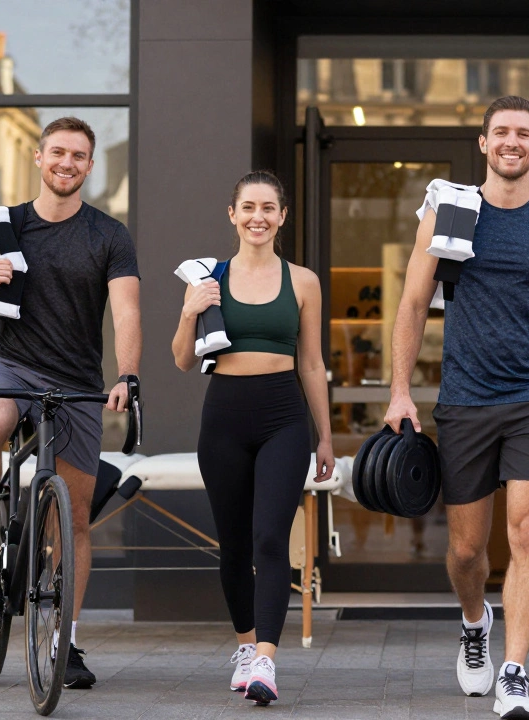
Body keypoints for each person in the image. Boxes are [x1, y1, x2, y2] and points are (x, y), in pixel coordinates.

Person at [384, 95, 529, 720]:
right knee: (465, 552)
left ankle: (515, 672)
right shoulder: (451, 215)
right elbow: (411, 305)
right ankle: (473, 619)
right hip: (464, 399)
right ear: (483, 144)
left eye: (524, 134)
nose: (512, 142)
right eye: (501, 132)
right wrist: (400, 390)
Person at [0, 117, 141, 689]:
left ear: (88, 165)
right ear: (39, 157)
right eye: (58, 152)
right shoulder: (1, 227)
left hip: (77, 379)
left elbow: (126, 311)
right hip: (9, 362)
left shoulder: (109, 234)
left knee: (75, 518)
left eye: (79, 156)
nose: (67, 163)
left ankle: (67, 643)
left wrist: (127, 375)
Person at [171, 170, 333, 706]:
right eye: (248, 208)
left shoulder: (303, 281)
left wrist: (326, 436)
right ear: (233, 215)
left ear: (282, 217)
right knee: (236, 545)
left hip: (284, 417)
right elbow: (179, 358)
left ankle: (266, 658)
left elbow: (311, 363)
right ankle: (244, 647)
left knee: (271, 539)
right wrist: (190, 313)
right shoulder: (208, 279)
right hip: (223, 418)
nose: (258, 217)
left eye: (268, 208)